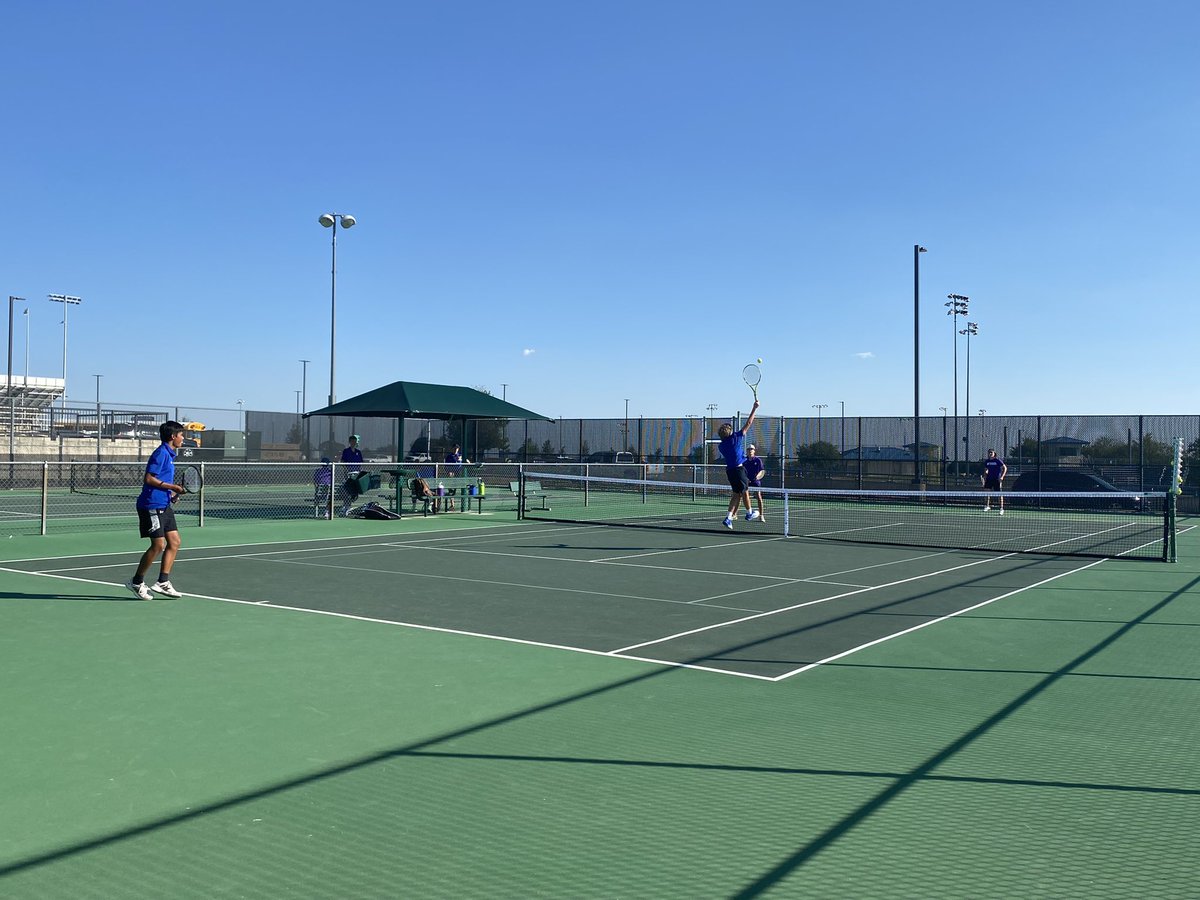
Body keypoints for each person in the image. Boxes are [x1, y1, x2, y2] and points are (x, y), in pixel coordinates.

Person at [125, 421, 185, 600]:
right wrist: (172, 486)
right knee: (158, 545)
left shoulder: (170, 455)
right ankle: (136, 582)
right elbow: (148, 478)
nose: (183, 438)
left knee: (174, 542)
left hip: (164, 504)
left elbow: (161, 480)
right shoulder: (160, 454)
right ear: (173, 436)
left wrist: (171, 494)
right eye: (181, 435)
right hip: (151, 505)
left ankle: (163, 582)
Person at [716, 399, 760, 529]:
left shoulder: (721, 446)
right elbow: (749, 422)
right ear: (729, 433)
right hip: (738, 470)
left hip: (730, 472)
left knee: (736, 494)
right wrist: (755, 408)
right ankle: (749, 513)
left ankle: (729, 518)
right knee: (745, 492)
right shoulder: (735, 438)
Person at [743, 442, 766, 523]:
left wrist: (757, 477)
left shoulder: (758, 460)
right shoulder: (744, 461)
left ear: (754, 451)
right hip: (747, 482)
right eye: (749, 449)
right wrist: (745, 479)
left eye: (752, 449)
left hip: (756, 482)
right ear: (747, 451)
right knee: (743, 496)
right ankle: (739, 514)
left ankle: (761, 515)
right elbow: (742, 472)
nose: (750, 451)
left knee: (759, 497)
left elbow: (762, 471)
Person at [982, 448, 1008, 514]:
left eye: (991, 452)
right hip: (989, 479)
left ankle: (1001, 508)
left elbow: (1005, 468)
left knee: (999, 494)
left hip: (997, 479)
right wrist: (985, 477)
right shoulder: (987, 462)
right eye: (989, 452)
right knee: (986, 493)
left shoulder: (998, 461)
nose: (990, 454)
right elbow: (985, 470)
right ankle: (987, 506)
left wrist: (1002, 477)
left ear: (994, 453)